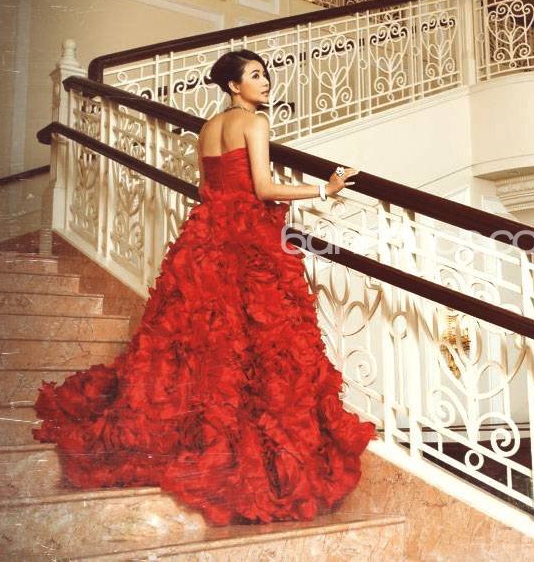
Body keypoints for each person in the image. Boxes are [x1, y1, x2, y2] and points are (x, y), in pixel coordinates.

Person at [32, 49, 376, 526]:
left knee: (205, 342)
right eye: (255, 76)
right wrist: (326, 189)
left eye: (266, 75)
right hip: (246, 239)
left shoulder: (208, 128)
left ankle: (201, 433)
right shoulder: (253, 123)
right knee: (258, 344)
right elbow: (263, 190)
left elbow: (208, 189)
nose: (266, 83)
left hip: (206, 238)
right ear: (234, 86)